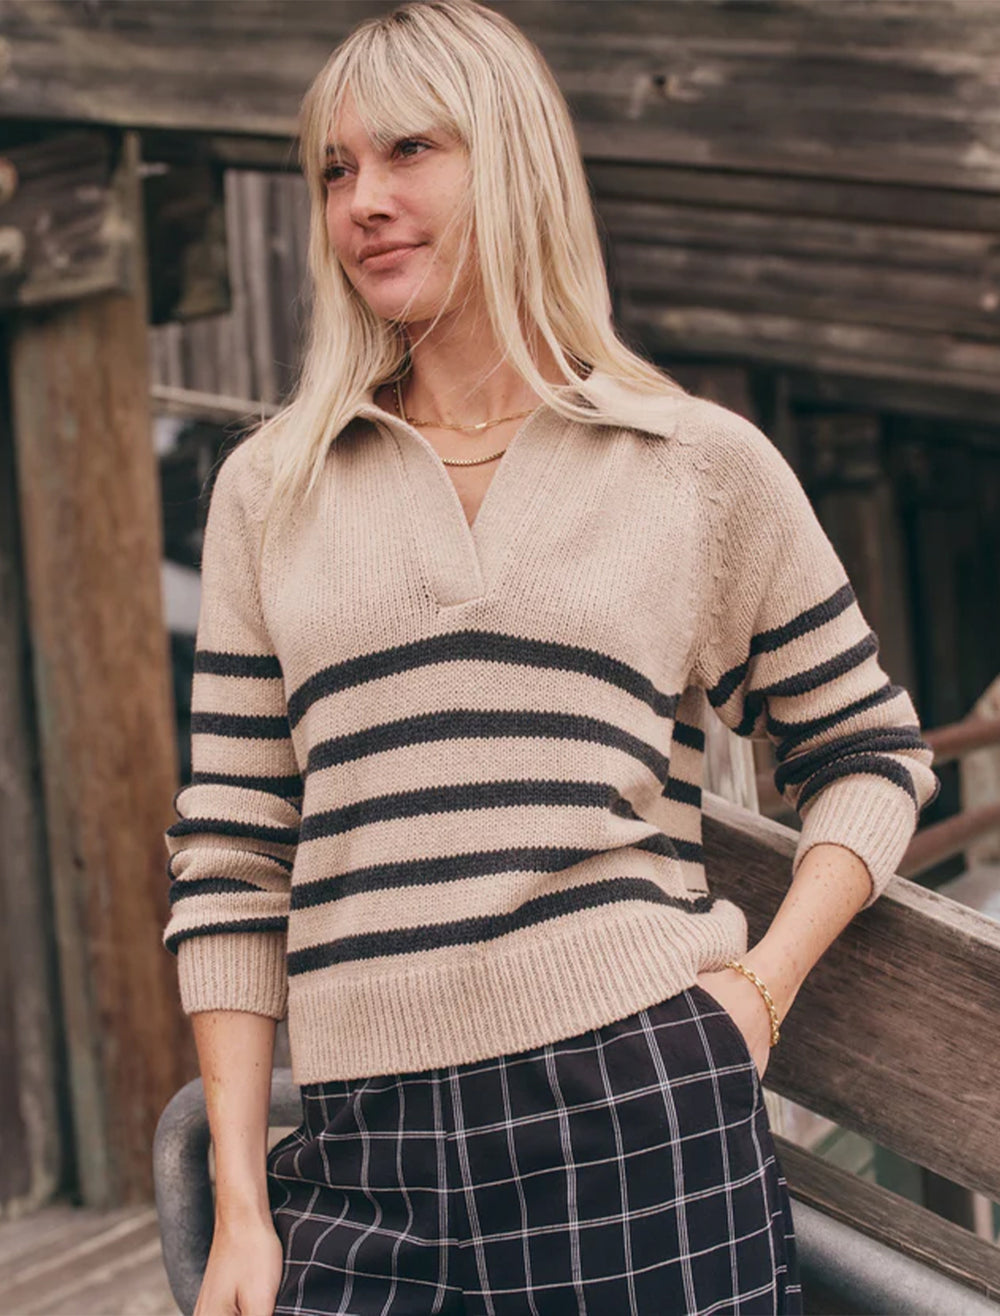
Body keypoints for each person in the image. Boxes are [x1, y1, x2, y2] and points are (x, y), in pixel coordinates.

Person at [161, 2, 940, 1313]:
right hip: (360, 1151)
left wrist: (757, 990)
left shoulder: (691, 465)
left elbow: (869, 754)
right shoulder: (270, 490)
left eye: (410, 151)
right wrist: (242, 1204)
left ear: (511, 159)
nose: (364, 201)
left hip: (634, 1112)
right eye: (336, 170)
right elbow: (235, 849)